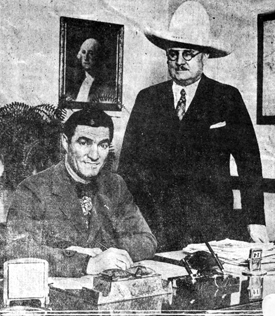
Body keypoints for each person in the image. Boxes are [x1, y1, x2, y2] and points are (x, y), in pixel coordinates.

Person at [118, 1, 267, 252]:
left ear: (205, 55)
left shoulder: (226, 98)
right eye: (173, 54)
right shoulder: (147, 99)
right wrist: (127, 221)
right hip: (156, 225)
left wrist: (255, 220)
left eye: (188, 53)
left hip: (211, 226)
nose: (179, 61)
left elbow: (249, 162)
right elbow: (128, 166)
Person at [5, 109, 157, 277]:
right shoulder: (33, 189)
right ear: (65, 142)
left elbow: (147, 240)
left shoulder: (115, 185)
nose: (94, 155)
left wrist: (101, 253)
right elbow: (15, 248)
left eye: (103, 145)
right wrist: (84, 262)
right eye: (84, 143)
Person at [65, 38, 114, 103]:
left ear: (98, 57)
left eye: (91, 53)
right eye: (83, 52)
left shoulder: (106, 86)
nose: (86, 58)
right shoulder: (76, 84)